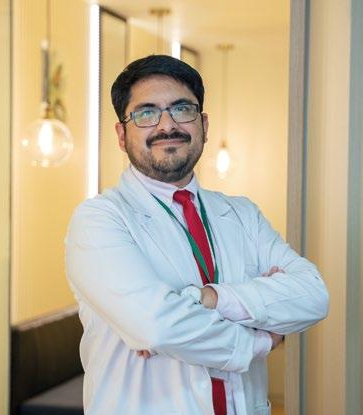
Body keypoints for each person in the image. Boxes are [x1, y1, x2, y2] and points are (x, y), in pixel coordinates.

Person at [66, 54, 329, 415]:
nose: (166, 125)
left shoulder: (242, 214)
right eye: (146, 113)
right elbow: (157, 327)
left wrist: (206, 298)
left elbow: (313, 295)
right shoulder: (99, 220)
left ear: (203, 124)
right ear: (121, 134)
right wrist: (259, 340)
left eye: (182, 109)